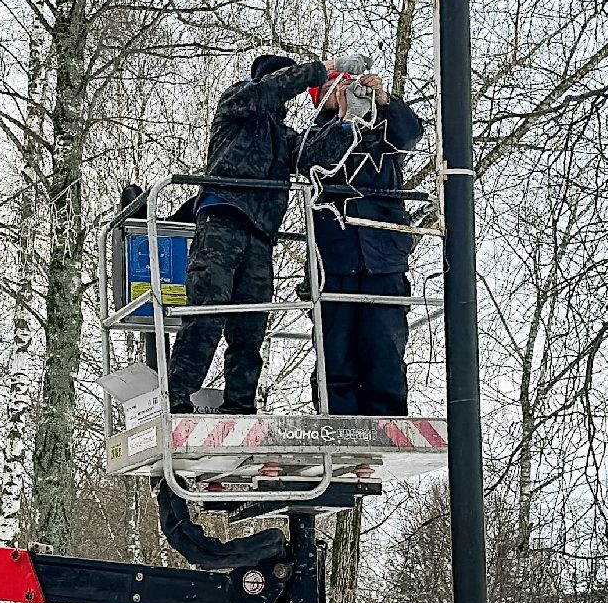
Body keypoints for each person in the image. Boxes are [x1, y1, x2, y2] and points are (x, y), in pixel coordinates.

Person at [166, 52, 332, 415]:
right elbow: (271, 90)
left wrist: (347, 120)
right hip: (222, 218)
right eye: (285, 77)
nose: (289, 84)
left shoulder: (282, 136)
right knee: (207, 311)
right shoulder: (238, 100)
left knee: (251, 325)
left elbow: (313, 157)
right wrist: (317, 71)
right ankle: (176, 397)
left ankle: (240, 403)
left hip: (260, 234)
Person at [303, 72, 422, 416]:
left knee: (385, 347)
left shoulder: (383, 130)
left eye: (350, 84)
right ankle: (335, 421)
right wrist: (344, 121)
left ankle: (388, 422)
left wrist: (384, 100)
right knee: (336, 349)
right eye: (334, 87)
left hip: (383, 258)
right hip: (334, 258)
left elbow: (411, 134)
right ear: (320, 99)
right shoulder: (316, 133)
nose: (345, 90)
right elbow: (309, 162)